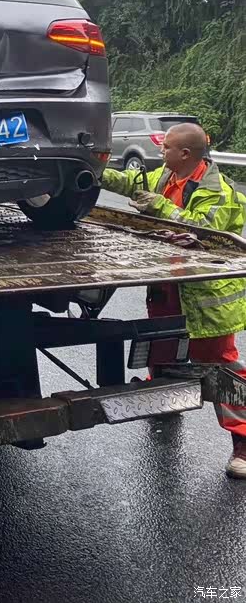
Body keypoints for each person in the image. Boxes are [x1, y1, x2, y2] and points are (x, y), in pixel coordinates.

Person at [102, 123, 246, 478]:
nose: (160, 151)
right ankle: (167, 400)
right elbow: (131, 183)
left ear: (185, 153)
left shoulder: (218, 191)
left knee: (221, 368)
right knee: (162, 351)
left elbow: (203, 231)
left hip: (205, 296)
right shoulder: (165, 176)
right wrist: (92, 171)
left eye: (166, 147)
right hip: (168, 286)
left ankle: (243, 444)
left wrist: (161, 207)